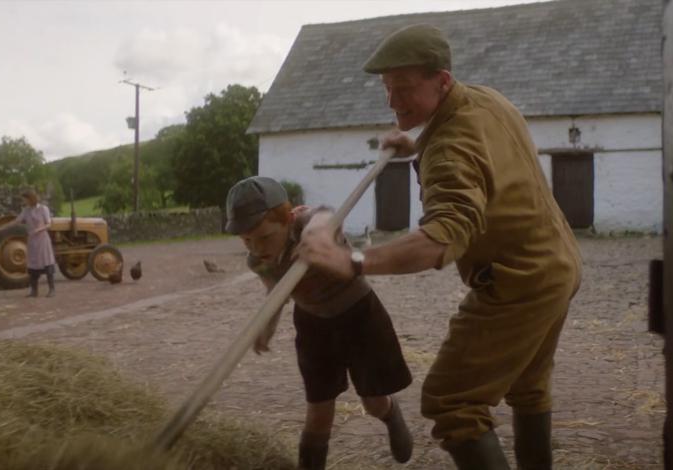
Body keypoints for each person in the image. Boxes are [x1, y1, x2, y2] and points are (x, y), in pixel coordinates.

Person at [296, 24, 582, 470]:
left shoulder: (449, 147)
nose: (393, 101)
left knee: (452, 402)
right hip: (558, 265)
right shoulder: (484, 99)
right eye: (387, 89)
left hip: (519, 281)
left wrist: (352, 260)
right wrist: (417, 143)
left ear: (442, 80)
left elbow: (441, 240)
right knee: (528, 387)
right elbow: (471, 149)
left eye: (405, 88)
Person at [224, 176, 413, 470]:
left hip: (359, 315)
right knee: (318, 411)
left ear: (287, 219)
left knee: (372, 402)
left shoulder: (309, 224)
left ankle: (390, 415)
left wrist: (315, 235)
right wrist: (267, 326)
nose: (257, 247)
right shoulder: (257, 260)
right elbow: (276, 291)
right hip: (313, 326)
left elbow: (324, 215)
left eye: (263, 237)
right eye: (246, 240)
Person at [13, 189, 57, 298]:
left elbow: (49, 224)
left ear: (30, 198)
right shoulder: (26, 210)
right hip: (32, 241)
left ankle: (52, 290)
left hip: (42, 240)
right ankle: (34, 291)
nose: (24, 202)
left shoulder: (43, 209)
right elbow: (18, 220)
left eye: (25, 199)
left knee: (47, 264)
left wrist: (39, 229)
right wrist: (9, 224)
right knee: (32, 266)